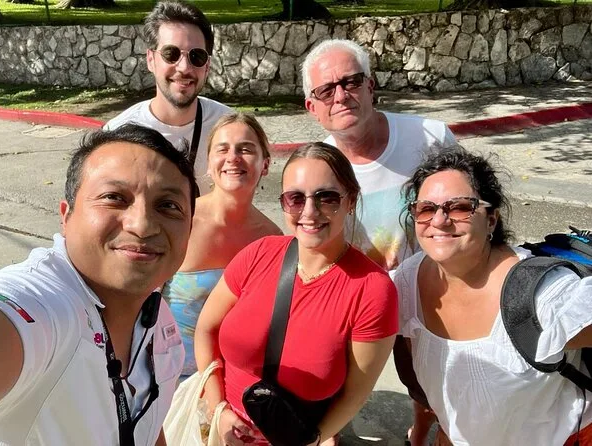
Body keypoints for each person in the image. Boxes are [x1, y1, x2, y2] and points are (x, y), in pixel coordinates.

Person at [0, 124, 199, 446]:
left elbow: (147, 424)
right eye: (114, 198)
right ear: (66, 216)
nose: (143, 225)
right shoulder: (47, 309)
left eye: (168, 206)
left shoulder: (159, 321)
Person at [194, 142, 398, 446]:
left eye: (327, 198)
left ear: (351, 201)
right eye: (295, 198)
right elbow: (206, 329)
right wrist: (218, 409)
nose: (310, 212)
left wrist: (312, 440)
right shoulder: (258, 254)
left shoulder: (372, 290)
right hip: (219, 430)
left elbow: (355, 394)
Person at [391, 147, 592, 445]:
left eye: (460, 207)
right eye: (426, 209)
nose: (439, 220)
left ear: (491, 220)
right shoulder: (407, 281)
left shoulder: (543, 292)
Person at [301, 38, 457, 271]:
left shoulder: (432, 139)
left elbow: (474, 216)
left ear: (370, 86)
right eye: (326, 91)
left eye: (351, 82)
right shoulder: (317, 169)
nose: (341, 96)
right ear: (312, 108)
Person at [162, 112, 282, 377]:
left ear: (265, 164)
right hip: (170, 381)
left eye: (245, 149)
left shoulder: (272, 239)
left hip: (238, 382)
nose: (233, 157)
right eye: (223, 149)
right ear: (209, 164)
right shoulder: (180, 221)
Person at [105, 0, 232, 193]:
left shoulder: (229, 128)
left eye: (197, 56)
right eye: (171, 54)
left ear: (207, 66)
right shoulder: (117, 136)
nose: (184, 67)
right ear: (151, 60)